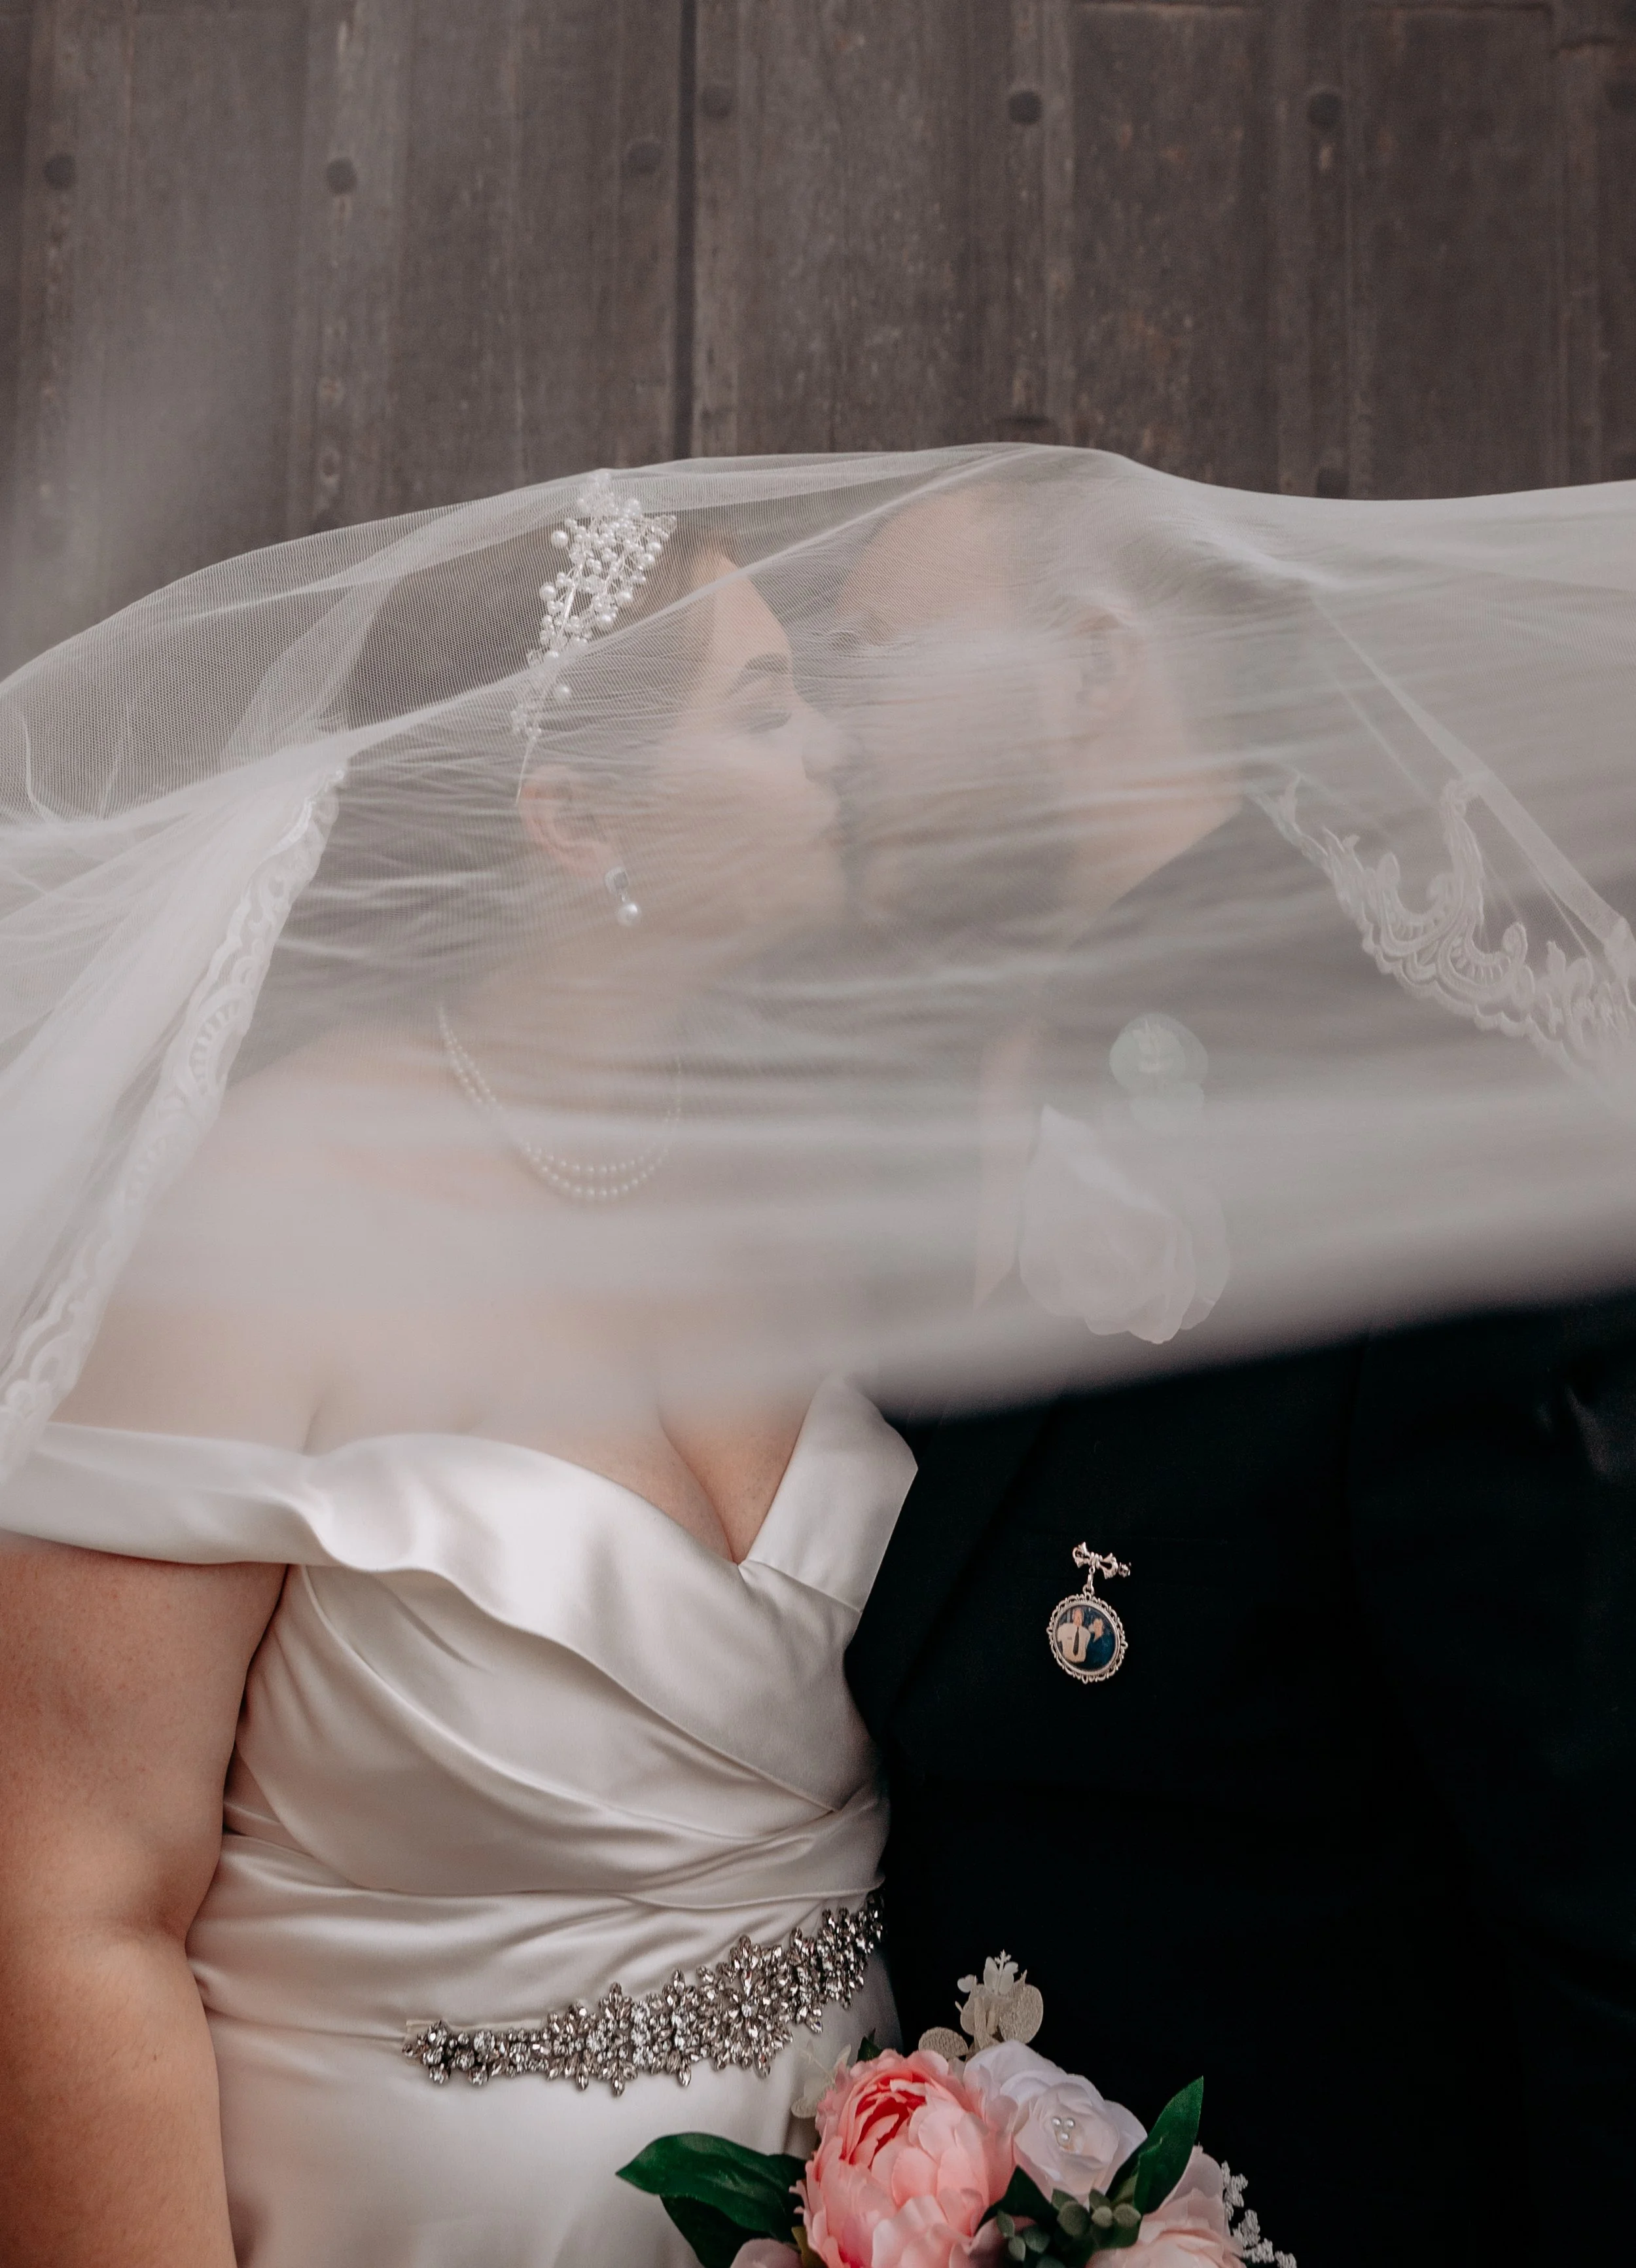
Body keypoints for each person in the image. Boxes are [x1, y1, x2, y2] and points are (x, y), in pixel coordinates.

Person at [0, 484, 916, 2268]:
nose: (839, 748)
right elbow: (64, 1911)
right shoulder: (263, 1216)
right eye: (766, 709)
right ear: (576, 820)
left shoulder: (835, 1192)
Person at [836, 476, 1636, 2267]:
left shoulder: (1413, 1139)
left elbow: (1596, 1905)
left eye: (875, 655)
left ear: (1091, 670)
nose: (833, 729)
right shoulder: (868, 1101)